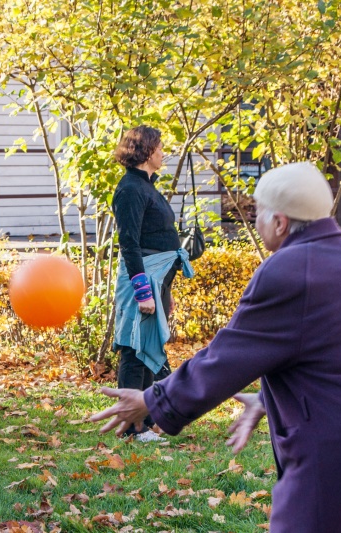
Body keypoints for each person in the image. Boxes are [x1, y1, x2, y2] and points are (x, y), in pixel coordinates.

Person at [92, 162, 341, 532]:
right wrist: (266, 398)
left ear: (280, 222)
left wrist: (152, 400)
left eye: (259, 210)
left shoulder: (290, 268)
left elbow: (226, 356)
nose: (256, 218)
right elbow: (339, 351)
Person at [110, 125, 194, 443]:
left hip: (156, 281)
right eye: (159, 147)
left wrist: (165, 293)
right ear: (146, 150)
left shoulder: (147, 186)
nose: (163, 152)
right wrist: (143, 290)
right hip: (141, 281)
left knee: (148, 347)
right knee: (134, 349)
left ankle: (145, 423)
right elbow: (129, 243)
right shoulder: (131, 188)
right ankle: (132, 428)